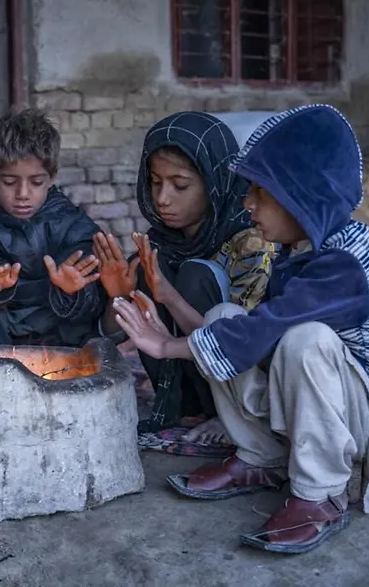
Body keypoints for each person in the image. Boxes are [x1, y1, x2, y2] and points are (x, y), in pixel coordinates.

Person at [112, 104, 369, 554]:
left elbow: (268, 336)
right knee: (225, 319)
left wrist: (165, 346)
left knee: (305, 340)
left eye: (260, 191)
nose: (247, 203)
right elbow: (249, 336)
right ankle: (262, 456)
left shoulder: (344, 265)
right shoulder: (301, 249)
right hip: (337, 402)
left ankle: (321, 492)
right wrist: (169, 299)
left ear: (302, 198)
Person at [94, 111, 276, 437]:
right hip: (188, 381)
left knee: (196, 275)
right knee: (150, 268)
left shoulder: (252, 241)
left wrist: (171, 297)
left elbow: (245, 342)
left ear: (214, 182)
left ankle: (228, 412)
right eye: (154, 182)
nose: (162, 199)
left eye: (180, 185)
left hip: (243, 383)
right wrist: (119, 295)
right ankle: (182, 404)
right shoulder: (161, 244)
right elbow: (114, 336)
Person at [0, 109, 106, 347]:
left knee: (81, 328)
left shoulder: (70, 221)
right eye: (9, 182)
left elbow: (91, 267)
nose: (23, 195)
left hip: (57, 337)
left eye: (36, 182)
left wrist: (73, 289)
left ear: (52, 177)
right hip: (1, 336)